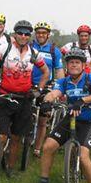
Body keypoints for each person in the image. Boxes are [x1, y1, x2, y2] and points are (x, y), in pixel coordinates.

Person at [0, 20, 49, 176]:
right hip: (5, 97)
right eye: (20, 33)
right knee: (1, 136)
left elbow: (46, 72)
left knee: (16, 137)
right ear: (15, 34)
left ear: (30, 36)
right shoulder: (5, 49)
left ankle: (10, 168)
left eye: (26, 34)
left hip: (24, 99)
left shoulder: (34, 54)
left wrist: (39, 89)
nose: (23, 36)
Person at [34, 47, 91, 183]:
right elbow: (54, 93)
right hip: (71, 118)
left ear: (83, 65)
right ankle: (43, 182)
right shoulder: (63, 81)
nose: (73, 65)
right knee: (48, 147)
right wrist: (47, 102)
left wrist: (83, 101)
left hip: (88, 122)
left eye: (77, 62)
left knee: (83, 155)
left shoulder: (90, 78)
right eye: (71, 62)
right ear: (67, 65)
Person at [31, 21, 64, 157]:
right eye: (38, 32)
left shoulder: (53, 50)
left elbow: (59, 70)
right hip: (29, 84)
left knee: (43, 119)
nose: (41, 35)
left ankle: (37, 148)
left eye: (44, 33)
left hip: (46, 86)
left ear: (48, 35)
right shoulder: (29, 46)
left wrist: (60, 87)